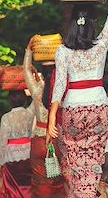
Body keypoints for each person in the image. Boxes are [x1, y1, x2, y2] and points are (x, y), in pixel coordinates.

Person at [47, 0, 108, 197]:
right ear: (91, 26)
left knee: (75, 165)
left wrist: (51, 118)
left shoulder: (62, 51)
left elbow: (58, 86)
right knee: (94, 163)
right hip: (98, 107)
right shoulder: (100, 46)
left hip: (72, 111)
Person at [23, 37, 65, 198]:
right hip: (58, 138)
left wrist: (29, 48)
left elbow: (26, 69)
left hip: (39, 141)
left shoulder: (36, 89)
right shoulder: (63, 88)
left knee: (40, 182)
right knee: (59, 181)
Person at [0, 90, 35, 198]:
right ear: (24, 99)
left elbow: (3, 141)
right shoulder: (30, 113)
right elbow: (38, 96)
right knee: (28, 185)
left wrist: (1, 162)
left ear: (10, 100)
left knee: (13, 187)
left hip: (12, 157)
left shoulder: (6, 117)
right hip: (29, 154)